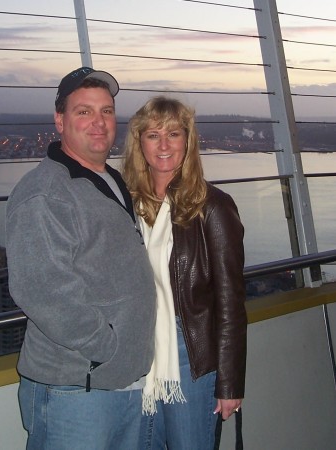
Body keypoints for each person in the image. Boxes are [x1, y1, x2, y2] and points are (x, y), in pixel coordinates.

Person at [5, 67, 156, 450]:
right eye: (84, 111)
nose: (99, 122)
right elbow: (42, 291)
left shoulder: (109, 178)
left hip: (119, 380)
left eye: (106, 111)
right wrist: (105, 347)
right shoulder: (45, 192)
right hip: (75, 387)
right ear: (60, 119)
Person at [122, 96, 247, 450]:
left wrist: (229, 384)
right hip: (140, 347)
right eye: (153, 135)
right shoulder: (129, 205)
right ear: (139, 142)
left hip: (189, 351)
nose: (163, 145)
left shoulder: (212, 206)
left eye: (173, 134)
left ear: (188, 141)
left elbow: (231, 301)